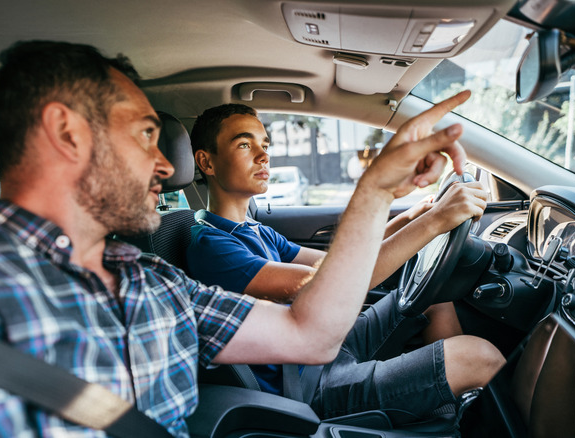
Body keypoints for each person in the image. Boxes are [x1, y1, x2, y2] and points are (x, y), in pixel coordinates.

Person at [0, 40, 490, 437]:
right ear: (67, 133)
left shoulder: (155, 280)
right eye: (146, 134)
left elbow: (311, 333)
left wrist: (379, 191)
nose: (164, 165)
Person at [187, 102, 506, 422]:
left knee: (435, 300)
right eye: (245, 144)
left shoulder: (258, 231)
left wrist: (412, 216)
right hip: (306, 387)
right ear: (206, 161)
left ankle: (449, 414)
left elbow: (337, 262)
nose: (263, 154)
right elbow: (330, 282)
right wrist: (435, 222)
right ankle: (456, 411)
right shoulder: (211, 245)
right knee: (479, 357)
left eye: (265, 144)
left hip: (327, 346)